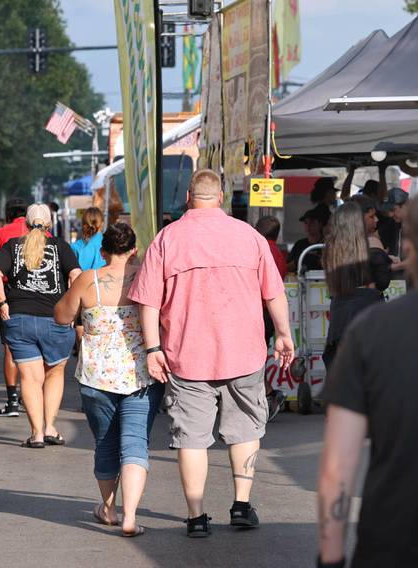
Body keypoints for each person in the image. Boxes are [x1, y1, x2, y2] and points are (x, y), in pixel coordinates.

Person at [128, 169, 294, 538]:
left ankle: (196, 516)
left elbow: (149, 304)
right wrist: (283, 334)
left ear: (188, 196)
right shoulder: (250, 237)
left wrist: (153, 348)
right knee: (246, 429)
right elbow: (273, 293)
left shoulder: (167, 239)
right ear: (220, 196)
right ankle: (240, 504)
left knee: (191, 437)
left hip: (187, 357)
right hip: (244, 353)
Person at [317, 189, 418, 568]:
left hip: (393, 536)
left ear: (410, 242)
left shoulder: (374, 332)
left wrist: (330, 557)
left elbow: (337, 466)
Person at [55, 223, 161, 537]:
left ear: (103, 252)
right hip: (140, 374)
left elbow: (61, 316)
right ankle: (130, 516)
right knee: (134, 444)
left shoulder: (90, 280)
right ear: (134, 250)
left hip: (96, 376)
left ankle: (109, 509)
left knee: (105, 442)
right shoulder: (146, 277)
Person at [0, 204, 81, 448]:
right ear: (49, 224)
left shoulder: (13, 246)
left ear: (26, 224)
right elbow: (75, 275)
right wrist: (71, 305)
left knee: (29, 379)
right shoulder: (61, 246)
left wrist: (2, 302)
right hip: (55, 318)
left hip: (20, 318)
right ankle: (50, 427)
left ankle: (36, 433)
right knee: (54, 373)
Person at [321, 203, 384, 370]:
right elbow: (378, 282)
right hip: (367, 305)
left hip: (340, 307)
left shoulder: (330, 247)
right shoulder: (369, 245)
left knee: (344, 364)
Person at [0, 197, 30, 417]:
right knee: (35, 350)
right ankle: (30, 395)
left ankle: (13, 401)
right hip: (38, 296)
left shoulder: (1, 234)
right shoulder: (42, 234)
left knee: (11, 350)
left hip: (9, 294)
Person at [254, 216, 287, 421]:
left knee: (254, 359)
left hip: (258, 310)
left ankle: (267, 396)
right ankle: (267, 395)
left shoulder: (261, 250)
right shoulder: (279, 254)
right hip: (268, 312)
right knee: (258, 357)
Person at [348, 194, 392, 293]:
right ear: (358, 219)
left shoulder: (335, 244)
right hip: (367, 304)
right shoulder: (373, 243)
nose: (377, 219)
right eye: (371, 216)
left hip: (339, 305)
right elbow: (383, 281)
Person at [287, 206, 329, 273]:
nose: (308, 225)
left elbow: (334, 267)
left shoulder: (327, 244)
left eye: (312, 222)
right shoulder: (299, 244)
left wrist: (319, 261)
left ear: (320, 224)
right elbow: (287, 268)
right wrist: (298, 261)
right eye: (306, 222)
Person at [379, 186, 409, 268]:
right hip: (397, 278)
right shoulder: (392, 224)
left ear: (405, 205)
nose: (390, 214)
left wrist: (393, 267)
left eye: (393, 210)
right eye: (388, 211)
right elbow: (376, 236)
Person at [70, 207, 107, 271]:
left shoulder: (75, 247)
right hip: (107, 280)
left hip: (82, 280)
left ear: (83, 224)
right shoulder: (110, 244)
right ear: (102, 223)